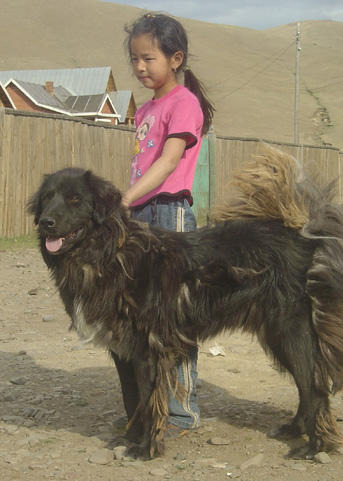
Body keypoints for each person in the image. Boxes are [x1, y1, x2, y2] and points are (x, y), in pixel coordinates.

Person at [121, 12, 214, 436]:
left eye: (149, 58)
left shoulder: (184, 103)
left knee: (176, 315)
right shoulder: (145, 107)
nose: (140, 67)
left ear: (175, 58)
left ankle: (182, 412)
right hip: (142, 216)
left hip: (170, 215)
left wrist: (124, 198)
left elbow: (169, 162)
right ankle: (151, 408)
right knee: (145, 316)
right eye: (135, 59)